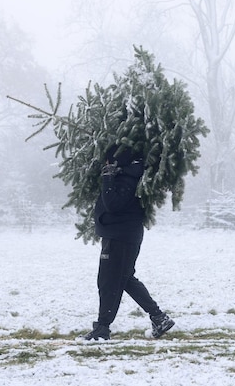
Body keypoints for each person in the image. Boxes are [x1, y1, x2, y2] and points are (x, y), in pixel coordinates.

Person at [82, 144, 175, 341]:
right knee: (125, 279)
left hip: (121, 237)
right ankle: (159, 318)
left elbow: (113, 205)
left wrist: (107, 178)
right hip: (119, 235)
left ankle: (102, 327)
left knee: (108, 282)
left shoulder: (127, 179)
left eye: (108, 162)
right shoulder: (127, 176)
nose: (105, 165)